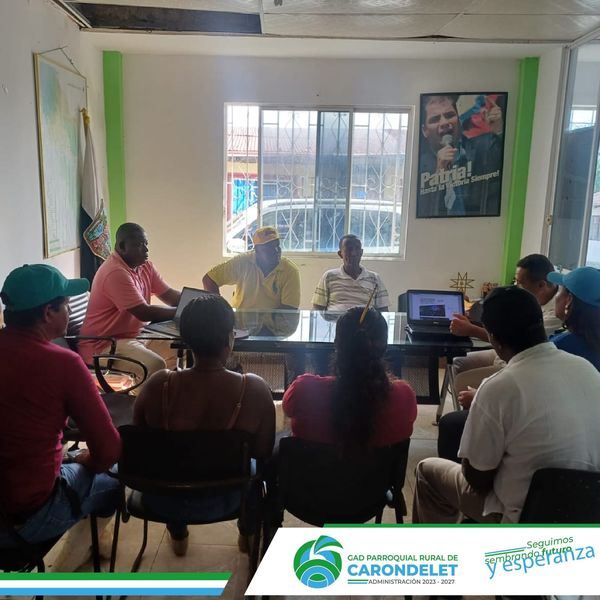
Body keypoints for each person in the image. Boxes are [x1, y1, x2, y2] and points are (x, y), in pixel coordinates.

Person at [413, 286, 600, 524]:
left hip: (521, 516)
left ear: (493, 338)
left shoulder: (498, 388)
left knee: (427, 470)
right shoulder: (587, 369)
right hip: (585, 512)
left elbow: (476, 478)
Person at [133, 294, 275, 556]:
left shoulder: (157, 385)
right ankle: (247, 532)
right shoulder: (254, 389)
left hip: (162, 499)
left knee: (173, 460)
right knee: (258, 471)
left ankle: (178, 534)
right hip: (229, 500)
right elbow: (263, 451)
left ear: (184, 338)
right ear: (230, 338)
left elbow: (142, 446)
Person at [0, 264, 121, 551]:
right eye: (66, 304)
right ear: (47, 313)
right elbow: (108, 451)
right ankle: (76, 561)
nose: (69, 311)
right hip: (24, 519)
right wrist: (85, 460)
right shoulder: (63, 364)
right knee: (115, 475)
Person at [283, 307, 416, 449]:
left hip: (312, 464)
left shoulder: (303, 390)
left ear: (336, 344)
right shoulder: (404, 396)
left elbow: (287, 410)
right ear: (384, 347)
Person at [79, 222, 181, 379]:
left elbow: (171, 296)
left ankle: (160, 392)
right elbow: (144, 312)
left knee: (183, 350)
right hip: (104, 344)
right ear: (122, 246)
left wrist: (199, 302)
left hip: (135, 337)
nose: (146, 249)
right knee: (155, 365)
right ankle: (145, 395)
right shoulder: (115, 272)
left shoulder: (145, 266)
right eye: (139, 245)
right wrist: (186, 311)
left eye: (146, 244)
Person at [417, 93, 505, 217]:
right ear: (425, 130)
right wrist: (438, 176)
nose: (444, 122)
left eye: (450, 115)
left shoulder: (484, 148)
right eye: (435, 119)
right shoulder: (419, 166)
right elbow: (422, 211)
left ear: (459, 120)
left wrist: (499, 130)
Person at [203, 226, 300, 310]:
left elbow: (290, 310)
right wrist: (219, 309)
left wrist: (267, 322)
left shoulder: (290, 271)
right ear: (257, 250)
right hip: (240, 322)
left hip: (273, 324)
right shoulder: (243, 262)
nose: (276, 251)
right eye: (269, 248)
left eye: (277, 245)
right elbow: (209, 279)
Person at [312, 234, 389, 312]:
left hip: (366, 320)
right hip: (336, 320)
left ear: (361, 252)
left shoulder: (375, 278)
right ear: (340, 254)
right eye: (349, 249)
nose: (353, 253)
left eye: (357, 249)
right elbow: (317, 308)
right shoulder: (329, 276)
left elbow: (383, 310)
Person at [547, 266, 600, 371]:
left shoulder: (559, 348)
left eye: (559, 291)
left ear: (569, 300)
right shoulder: (593, 341)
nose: (556, 297)